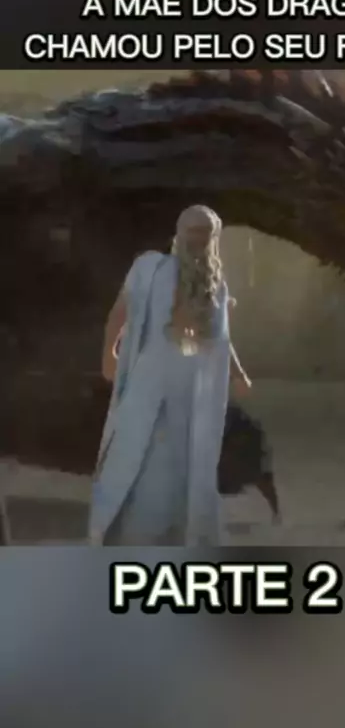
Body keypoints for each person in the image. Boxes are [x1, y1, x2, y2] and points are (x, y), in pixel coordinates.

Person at [89, 205, 252, 545]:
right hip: (149, 383)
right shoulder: (150, 270)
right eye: (192, 230)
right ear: (179, 232)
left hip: (193, 393)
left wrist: (238, 373)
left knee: (185, 466)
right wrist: (109, 353)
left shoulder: (217, 287)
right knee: (139, 458)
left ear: (214, 238)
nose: (198, 238)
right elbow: (119, 312)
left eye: (205, 232)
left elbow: (222, 341)